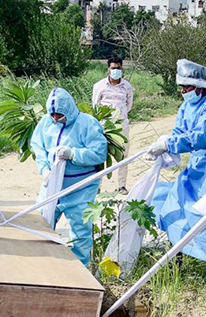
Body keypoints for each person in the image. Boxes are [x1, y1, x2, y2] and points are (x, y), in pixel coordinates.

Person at [148, 59, 206, 284]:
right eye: (181, 88)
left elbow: (202, 136)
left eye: (186, 88)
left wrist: (171, 143)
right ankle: (174, 267)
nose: (183, 92)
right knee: (177, 207)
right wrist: (167, 147)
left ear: (200, 86)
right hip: (198, 165)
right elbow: (180, 131)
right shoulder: (186, 105)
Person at [30, 88, 108, 267]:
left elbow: (99, 153)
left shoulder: (87, 123)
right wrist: (44, 170)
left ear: (69, 110)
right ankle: (42, 265)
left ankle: (80, 270)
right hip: (52, 186)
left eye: (59, 115)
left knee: (80, 231)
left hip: (80, 187)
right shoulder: (45, 123)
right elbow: (38, 146)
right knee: (40, 223)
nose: (56, 119)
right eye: (53, 115)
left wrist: (73, 154)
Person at [92, 55, 134, 194]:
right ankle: (97, 186)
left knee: (123, 156)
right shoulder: (99, 86)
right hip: (104, 127)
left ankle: (121, 185)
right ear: (108, 70)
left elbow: (129, 106)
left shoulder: (127, 86)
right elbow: (95, 106)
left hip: (121, 127)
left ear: (122, 69)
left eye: (118, 68)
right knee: (100, 156)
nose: (116, 70)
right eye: (113, 68)